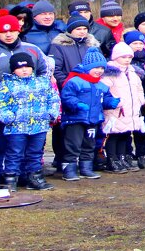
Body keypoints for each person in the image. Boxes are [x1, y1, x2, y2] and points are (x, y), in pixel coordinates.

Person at [0, 12, 48, 189]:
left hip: (29, 108)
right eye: (3, 32)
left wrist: (37, 96)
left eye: (12, 31)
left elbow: (44, 73)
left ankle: (25, 175)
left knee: (26, 143)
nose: (8, 35)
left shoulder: (32, 50)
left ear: (19, 30)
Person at [0, 51, 59, 191]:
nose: (24, 70)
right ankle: (10, 180)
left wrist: (51, 113)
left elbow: (54, 98)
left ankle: (35, 178)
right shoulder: (6, 84)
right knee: (14, 153)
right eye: (20, 67)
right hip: (16, 127)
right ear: (13, 69)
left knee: (36, 153)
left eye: (27, 67)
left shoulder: (42, 82)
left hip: (39, 126)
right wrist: (8, 116)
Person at [49, 13, 101, 172]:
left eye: (85, 28)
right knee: (67, 129)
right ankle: (63, 162)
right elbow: (56, 69)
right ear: (70, 30)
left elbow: (99, 67)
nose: (82, 31)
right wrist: (69, 84)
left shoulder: (92, 45)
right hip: (69, 91)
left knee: (88, 129)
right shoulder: (59, 46)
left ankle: (86, 163)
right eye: (78, 28)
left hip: (90, 90)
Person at [58, 47, 119, 181]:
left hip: (93, 120)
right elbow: (67, 96)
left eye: (102, 68)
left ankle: (86, 168)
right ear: (87, 67)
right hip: (75, 120)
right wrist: (76, 104)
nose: (99, 71)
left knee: (89, 145)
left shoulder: (101, 85)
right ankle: (69, 170)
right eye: (96, 68)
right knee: (73, 145)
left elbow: (105, 98)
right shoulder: (75, 81)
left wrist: (111, 102)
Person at [100, 42, 145, 173]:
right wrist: (115, 101)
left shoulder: (133, 72)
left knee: (125, 135)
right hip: (116, 110)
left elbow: (139, 88)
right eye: (123, 57)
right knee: (113, 135)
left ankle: (122, 158)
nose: (127, 60)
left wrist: (140, 100)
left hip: (130, 110)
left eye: (129, 57)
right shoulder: (110, 72)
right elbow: (105, 90)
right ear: (115, 57)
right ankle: (111, 159)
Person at [123, 30, 145, 169]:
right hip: (128, 101)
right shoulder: (124, 60)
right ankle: (127, 155)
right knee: (125, 131)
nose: (138, 46)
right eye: (134, 43)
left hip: (144, 102)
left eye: (140, 43)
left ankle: (144, 155)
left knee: (142, 130)